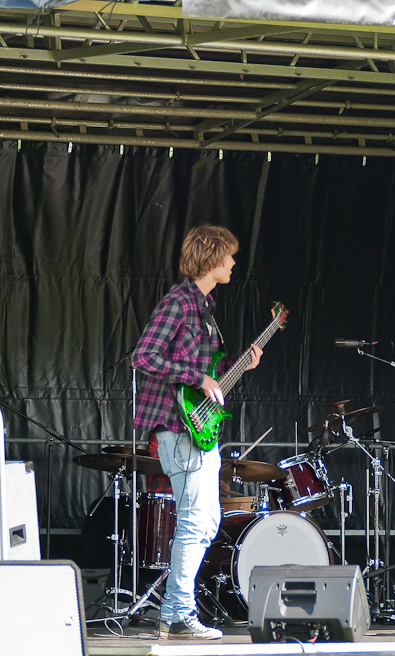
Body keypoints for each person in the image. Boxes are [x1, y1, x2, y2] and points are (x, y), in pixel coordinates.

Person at [132, 224, 262, 640]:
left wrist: (237, 367)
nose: (234, 262)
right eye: (229, 255)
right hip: (177, 428)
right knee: (194, 522)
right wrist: (197, 377)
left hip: (199, 429)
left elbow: (209, 379)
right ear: (212, 257)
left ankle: (176, 612)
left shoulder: (205, 307)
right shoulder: (179, 302)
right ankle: (177, 616)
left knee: (205, 523)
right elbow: (143, 356)